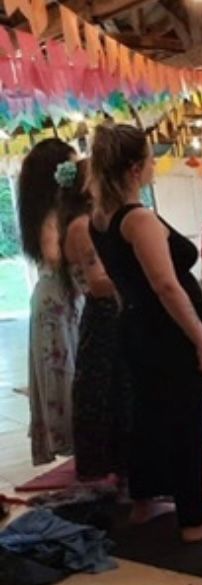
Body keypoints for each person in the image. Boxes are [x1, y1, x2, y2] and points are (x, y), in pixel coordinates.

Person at [89, 123, 202, 542]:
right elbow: (167, 285)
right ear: (136, 168)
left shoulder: (97, 218)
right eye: (152, 160)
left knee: (149, 415)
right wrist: (201, 337)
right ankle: (195, 518)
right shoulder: (138, 220)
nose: (155, 166)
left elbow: (124, 281)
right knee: (186, 418)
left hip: (136, 326)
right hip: (166, 331)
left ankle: (144, 500)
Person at [56, 159, 130, 481]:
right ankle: (113, 465)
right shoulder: (82, 226)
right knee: (108, 390)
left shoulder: (87, 222)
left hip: (105, 314)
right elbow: (98, 282)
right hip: (104, 315)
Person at [17, 138, 83, 466]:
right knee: (66, 373)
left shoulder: (57, 210)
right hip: (58, 300)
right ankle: (78, 441)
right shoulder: (51, 214)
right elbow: (56, 255)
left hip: (66, 298)